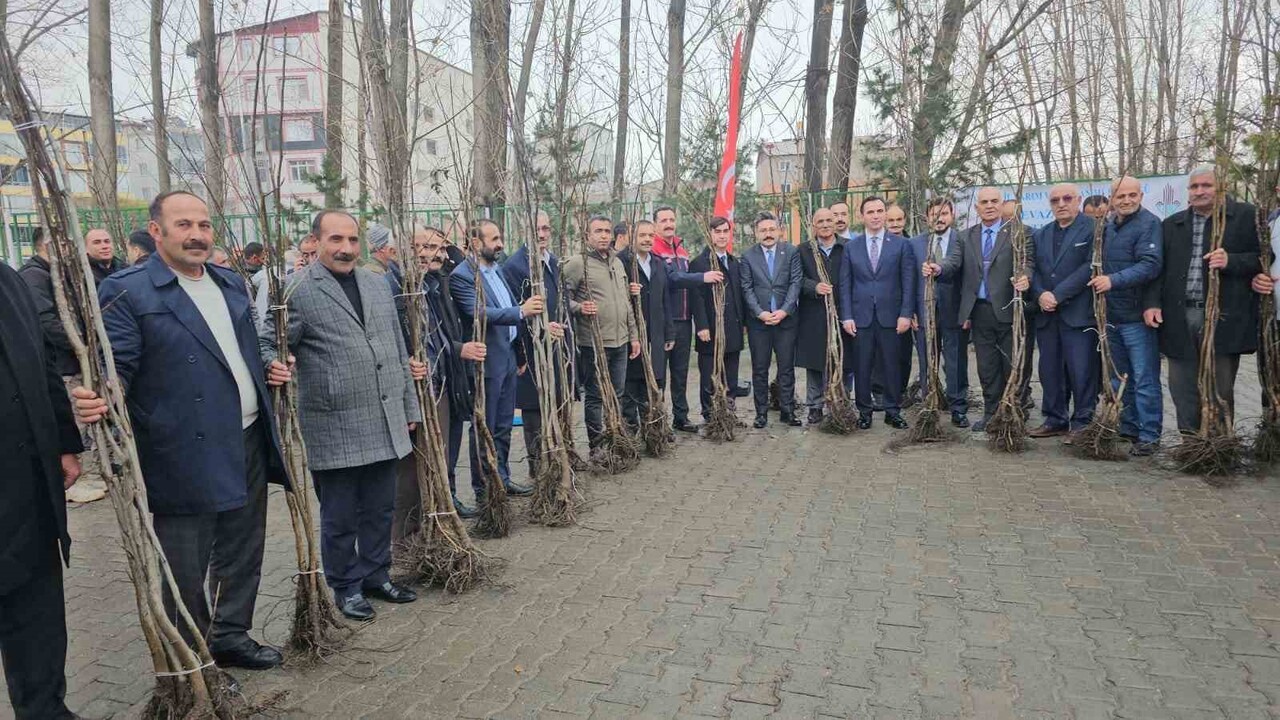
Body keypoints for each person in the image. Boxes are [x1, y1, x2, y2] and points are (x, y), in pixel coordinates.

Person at [74, 190, 290, 668]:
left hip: (248, 436)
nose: (197, 235)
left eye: (204, 225)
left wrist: (270, 364)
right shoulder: (130, 289)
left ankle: (231, 634)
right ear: (157, 232)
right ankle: (192, 659)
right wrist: (103, 395)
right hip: (181, 450)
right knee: (186, 564)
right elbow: (120, 363)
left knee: (243, 547)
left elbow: (246, 346)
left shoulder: (230, 283)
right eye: (184, 225)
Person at [261, 209, 422, 621]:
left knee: (380, 507)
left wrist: (408, 407)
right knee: (340, 515)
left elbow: (395, 349)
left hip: (384, 417)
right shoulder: (296, 288)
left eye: (352, 240)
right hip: (334, 423)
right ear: (316, 242)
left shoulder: (376, 284)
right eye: (336, 240)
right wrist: (273, 363)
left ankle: (375, 574)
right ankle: (345, 585)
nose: (346, 249)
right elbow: (267, 342)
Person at [0, 256, 84, 719]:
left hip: (28, 485)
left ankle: (45, 709)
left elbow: (43, 363)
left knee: (36, 613)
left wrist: (64, 445)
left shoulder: (8, 279)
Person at [1146, 166, 1260, 437]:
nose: (1200, 191)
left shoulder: (1246, 217)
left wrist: (1232, 261)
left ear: (1221, 187)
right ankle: (1191, 443)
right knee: (1181, 385)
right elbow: (1158, 270)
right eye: (1194, 187)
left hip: (1223, 316)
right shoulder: (1172, 224)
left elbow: (1264, 258)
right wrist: (1152, 303)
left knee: (1219, 386)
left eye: (1206, 185)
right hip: (1179, 315)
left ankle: (1219, 443)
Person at [394, 226, 487, 536]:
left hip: (443, 383)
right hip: (420, 389)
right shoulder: (397, 289)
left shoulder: (433, 286)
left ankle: (435, 526)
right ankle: (408, 541)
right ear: (405, 249)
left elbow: (442, 337)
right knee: (414, 472)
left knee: (441, 460)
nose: (431, 253)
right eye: (422, 246)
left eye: (438, 247)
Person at [451, 219, 541, 499]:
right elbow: (479, 313)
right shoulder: (463, 275)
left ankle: (502, 478)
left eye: (500, 238)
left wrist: (519, 352)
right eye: (494, 239)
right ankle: (484, 489)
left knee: (502, 426)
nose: (500, 244)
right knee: (485, 427)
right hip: (486, 365)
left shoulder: (496, 270)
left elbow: (504, 307)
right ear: (476, 243)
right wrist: (521, 312)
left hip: (507, 359)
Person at [928, 186, 1031, 432]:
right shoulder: (965, 237)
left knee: (1012, 365)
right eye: (984, 202)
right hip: (979, 311)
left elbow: (1029, 263)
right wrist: (939, 269)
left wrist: (1026, 277)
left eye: (994, 201)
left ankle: (1014, 413)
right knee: (987, 367)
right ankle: (990, 413)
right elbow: (954, 261)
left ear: (1001, 203)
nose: (989, 206)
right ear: (977, 208)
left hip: (1008, 309)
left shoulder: (1018, 233)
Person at [18, 228, 105, 504]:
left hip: (74, 360)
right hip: (61, 364)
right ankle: (73, 478)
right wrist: (83, 344)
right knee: (73, 419)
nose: (70, 250)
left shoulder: (58, 275)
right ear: (47, 246)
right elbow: (46, 324)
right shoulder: (34, 277)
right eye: (65, 244)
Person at [1094, 176, 1163, 454]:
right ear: (1112, 199)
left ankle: (1149, 435)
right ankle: (1129, 427)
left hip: (1136, 316)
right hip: (1111, 315)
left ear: (1141, 195)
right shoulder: (1108, 227)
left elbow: (1151, 265)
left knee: (1144, 378)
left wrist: (1113, 280)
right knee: (1120, 377)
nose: (1126, 200)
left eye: (1131, 195)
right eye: (1120, 196)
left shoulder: (1150, 224)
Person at [563, 215, 641, 447]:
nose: (604, 235)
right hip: (594, 343)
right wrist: (578, 307)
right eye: (598, 231)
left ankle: (614, 439)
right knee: (595, 396)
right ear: (587, 236)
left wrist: (634, 336)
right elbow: (561, 298)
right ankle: (596, 445)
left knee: (617, 393)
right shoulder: (577, 264)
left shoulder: (617, 263)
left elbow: (626, 302)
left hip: (621, 341)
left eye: (607, 231)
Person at [500, 211, 566, 481]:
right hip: (530, 350)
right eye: (536, 229)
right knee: (534, 410)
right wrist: (540, 329)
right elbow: (514, 312)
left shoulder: (552, 261)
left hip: (555, 347)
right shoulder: (515, 267)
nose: (542, 234)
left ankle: (557, 459)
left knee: (555, 404)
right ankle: (538, 469)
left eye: (546, 228)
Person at [839, 196, 915, 429]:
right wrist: (847, 316)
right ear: (862, 216)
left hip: (891, 317)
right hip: (860, 318)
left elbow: (908, 282)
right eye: (870, 212)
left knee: (892, 364)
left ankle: (893, 410)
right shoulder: (851, 247)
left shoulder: (901, 245)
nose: (875, 216)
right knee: (862, 365)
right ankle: (864, 412)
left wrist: (905, 314)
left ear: (884, 214)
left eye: (879, 211)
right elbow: (845, 284)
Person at [1029, 183, 1098, 439]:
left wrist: (1057, 295)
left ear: (1078, 200)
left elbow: (1090, 267)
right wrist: (1040, 294)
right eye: (1055, 200)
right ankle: (1055, 418)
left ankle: (1082, 420)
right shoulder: (1042, 233)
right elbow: (1032, 267)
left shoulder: (1092, 229)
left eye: (1067, 198)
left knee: (1081, 369)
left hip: (1077, 314)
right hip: (1047, 314)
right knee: (1050, 369)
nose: (1061, 204)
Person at [651, 205, 722, 432]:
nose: (669, 224)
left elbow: (689, 287)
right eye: (663, 220)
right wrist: (703, 276)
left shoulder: (681, 249)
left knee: (680, 372)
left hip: (683, 321)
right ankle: (656, 419)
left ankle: (680, 417)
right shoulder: (654, 249)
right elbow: (673, 279)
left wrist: (699, 322)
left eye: (672, 219)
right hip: (664, 321)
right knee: (659, 374)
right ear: (655, 225)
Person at [910, 198, 970, 427]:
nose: (939, 218)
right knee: (927, 360)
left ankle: (958, 408)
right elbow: (909, 280)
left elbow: (965, 274)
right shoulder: (915, 244)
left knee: (955, 361)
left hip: (954, 311)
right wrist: (910, 311)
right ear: (927, 217)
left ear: (952, 215)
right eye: (934, 214)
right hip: (923, 310)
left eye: (944, 213)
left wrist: (967, 312)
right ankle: (930, 403)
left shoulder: (962, 240)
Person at [740, 212, 802, 428]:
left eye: (771, 229)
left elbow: (796, 283)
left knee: (786, 368)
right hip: (760, 324)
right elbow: (746, 288)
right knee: (760, 369)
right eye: (763, 230)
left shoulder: (791, 252)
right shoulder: (747, 257)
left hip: (785, 322)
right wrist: (760, 313)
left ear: (779, 230)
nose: (768, 234)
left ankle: (787, 411)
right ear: (757, 233)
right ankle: (761, 413)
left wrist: (785, 311)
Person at [617, 219, 676, 429]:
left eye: (651, 235)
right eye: (642, 235)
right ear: (631, 237)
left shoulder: (658, 263)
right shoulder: (621, 262)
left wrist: (669, 332)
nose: (647, 239)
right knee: (632, 381)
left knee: (656, 378)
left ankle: (655, 426)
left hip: (657, 332)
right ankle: (631, 428)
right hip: (632, 334)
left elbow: (665, 300)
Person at [797, 208, 853, 425]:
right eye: (820, 221)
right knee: (815, 362)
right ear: (813, 225)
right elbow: (796, 279)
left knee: (845, 359)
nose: (826, 224)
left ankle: (842, 401)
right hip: (814, 313)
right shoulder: (803, 250)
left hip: (843, 312)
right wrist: (813, 286)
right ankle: (815, 405)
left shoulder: (847, 247)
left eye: (830, 220)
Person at [689, 216, 744, 421]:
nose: (722, 236)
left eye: (725, 231)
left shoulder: (733, 261)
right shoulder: (699, 263)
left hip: (733, 326)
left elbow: (738, 294)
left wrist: (743, 322)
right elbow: (696, 297)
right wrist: (702, 325)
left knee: (731, 374)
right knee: (709, 374)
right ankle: (709, 414)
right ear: (710, 234)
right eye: (717, 232)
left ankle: (728, 411)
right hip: (710, 328)